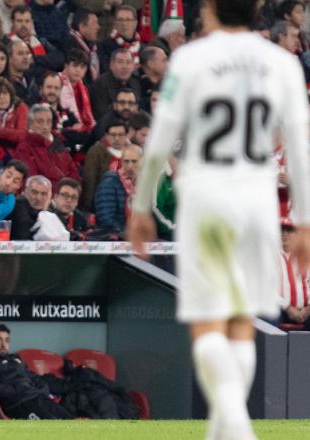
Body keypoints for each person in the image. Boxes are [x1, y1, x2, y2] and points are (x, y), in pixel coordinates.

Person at [127, 1, 310, 438]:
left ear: (209, 12)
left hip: (207, 198)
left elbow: (161, 136)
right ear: (257, 13)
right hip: (256, 202)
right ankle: (228, 425)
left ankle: (232, 420)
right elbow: (300, 145)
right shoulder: (282, 63)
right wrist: (303, 218)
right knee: (241, 322)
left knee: (209, 322)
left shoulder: (191, 59)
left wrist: (140, 207)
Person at [0, 324, 73, 419]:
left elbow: (31, 375)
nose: (3, 345)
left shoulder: (15, 359)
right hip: (18, 403)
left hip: (38, 397)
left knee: (71, 423)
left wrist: (43, 388)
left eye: (7, 340)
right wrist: (17, 390)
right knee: (53, 428)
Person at [12, 104, 80, 190]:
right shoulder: (24, 148)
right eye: (40, 122)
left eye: (48, 121)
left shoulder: (58, 144)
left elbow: (73, 172)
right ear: (30, 124)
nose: (45, 126)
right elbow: (31, 181)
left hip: (64, 195)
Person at [81, 118, 130, 212]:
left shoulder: (133, 152)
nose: (116, 138)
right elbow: (89, 181)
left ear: (126, 136)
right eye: (113, 135)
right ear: (107, 136)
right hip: (103, 203)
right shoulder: (96, 151)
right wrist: (88, 208)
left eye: (120, 135)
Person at [95, 144, 141, 236]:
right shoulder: (109, 183)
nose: (130, 166)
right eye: (126, 161)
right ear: (121, 161)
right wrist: (126, 234)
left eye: (134, 161)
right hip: (116, 238)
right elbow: (106, 219)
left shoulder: (143, 184)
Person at [8, 5, 64, 73]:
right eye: (19, 21)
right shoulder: (7, 42)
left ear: (32, 22)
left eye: (27, 21)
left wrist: (34, 59)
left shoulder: (41, 41)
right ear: (12, 22)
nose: (23, 25)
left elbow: (59, 58)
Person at [90, 49, 141, 121]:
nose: (124, 66)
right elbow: (102, 116)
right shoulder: (99, 85)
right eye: (120, 62)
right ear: (111, 65)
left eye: (128, 62)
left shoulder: (136, 83)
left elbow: (139, 111)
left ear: (133, 66)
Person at [0, 77, 28, 150]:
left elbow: (22, 135)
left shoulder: (20, 107)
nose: (2, 97)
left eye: (5, 93)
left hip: (16, 151)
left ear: (11, 94)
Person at [98, 5, 141, 71]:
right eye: (120, 20)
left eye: (128, 20)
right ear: (115, 23)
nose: (124, 23)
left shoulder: (143, 48)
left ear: (135, 23)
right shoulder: (104, 46)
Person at [64, 9, 101, 85]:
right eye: (94, 23)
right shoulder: (70, 44)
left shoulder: (94, 46)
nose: (98, 27)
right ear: (82, 27)